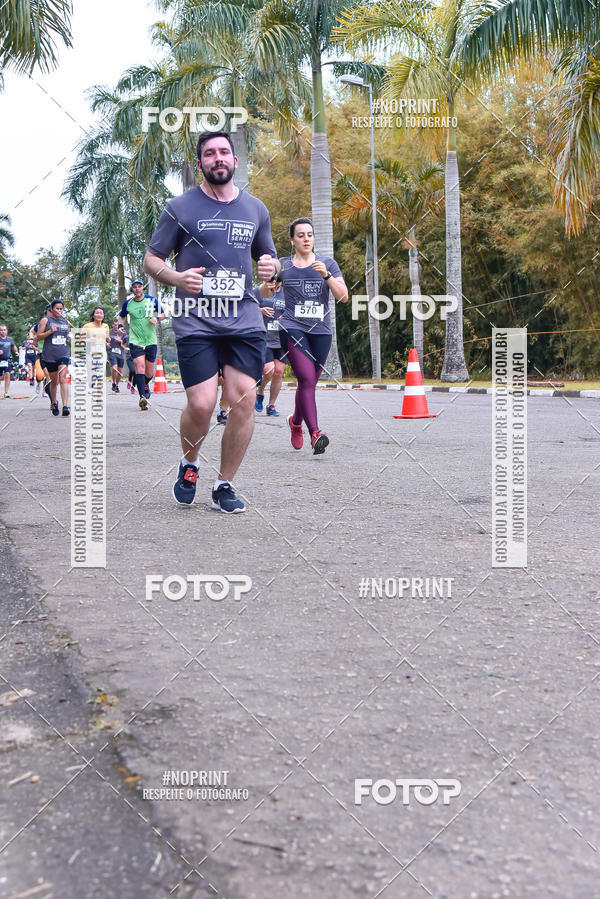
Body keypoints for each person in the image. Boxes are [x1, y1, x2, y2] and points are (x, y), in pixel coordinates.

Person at [144, 130, 280, 512]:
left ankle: (224, 484)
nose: (217, 158)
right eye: (209, 154)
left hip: (244, 319)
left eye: (224, 152)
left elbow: (269, 261)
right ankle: (189, 464)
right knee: (202, 405)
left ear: (234, 161)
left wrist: (273, 266)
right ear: (199, 163)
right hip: (196, 320)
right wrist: (175, 277)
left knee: (243, 402)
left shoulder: (255, 208)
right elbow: (152, 259)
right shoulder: (180, 207)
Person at [278, 217, 348, 454]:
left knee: (308, 383)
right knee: (307, 380)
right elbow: (267, 287)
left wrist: (327, 275)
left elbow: (343, 296)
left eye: (309, 235)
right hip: (292, 327)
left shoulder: (327, 263)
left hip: (321, 331)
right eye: (300, 235)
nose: (306, 239)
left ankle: (295, 422)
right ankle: (315, 433)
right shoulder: (283, 265)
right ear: (292, 240)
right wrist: (268, 286)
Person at [117, 279, 166, 411]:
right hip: (135, 340)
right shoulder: (128, 303)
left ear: (142, 288)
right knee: (140, 367)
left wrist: (157, 318)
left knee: (149, 372)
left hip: (150, 340)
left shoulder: (152, 300)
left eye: (139, 286)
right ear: (132, 289)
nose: (137, 289)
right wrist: (121, 326)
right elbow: (121, 317)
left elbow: (164, 313)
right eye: (135, 287)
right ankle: (142, 397)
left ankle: (144, 384)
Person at [256, 279, 286, 416]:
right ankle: (260, 391)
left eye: (279, 279)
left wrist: (285, 317)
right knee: (269, 370)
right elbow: (246, 307)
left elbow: (294, 309)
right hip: (264, 337)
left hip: (281, 338)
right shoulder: (260, 290)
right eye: (274, 279)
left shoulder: (288, 292)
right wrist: (260, 310)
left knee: (279, 371)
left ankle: (271, 405)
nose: (277, 282)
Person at [36, 299, 71, 416]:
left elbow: (67, 336)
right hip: (50, 355)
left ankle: (65, 406)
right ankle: (54, 402)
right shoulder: (46, 320)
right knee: (54, 381)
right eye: (57, 308)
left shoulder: (65, 321)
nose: (59, 311)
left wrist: (72, 338)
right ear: (51, 309)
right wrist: (49, 331)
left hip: (63, 353)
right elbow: (38, 337)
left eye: (61, 309)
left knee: (63, 378)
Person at [107, 319, 127, 392]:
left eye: (117, 325)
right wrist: (107, 343)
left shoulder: (123, 332)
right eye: (115, 325)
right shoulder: (109, 332)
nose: (116, 326)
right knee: (114, 368)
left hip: (120, 353)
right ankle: (114, 383)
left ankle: (117, 385)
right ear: (112, 325)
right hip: (112, 352)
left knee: (120, 370)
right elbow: (106, 340)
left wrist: (121, 341)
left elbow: (126, 341)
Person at [0, 325, 18, 398]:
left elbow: (13, 346)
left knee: (7, 375)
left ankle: (6, 392)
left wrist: (16, 351)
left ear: (6, 331)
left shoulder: (9, 339)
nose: (3, 331)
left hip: (7, 360)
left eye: (4, 330)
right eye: (1, 330)